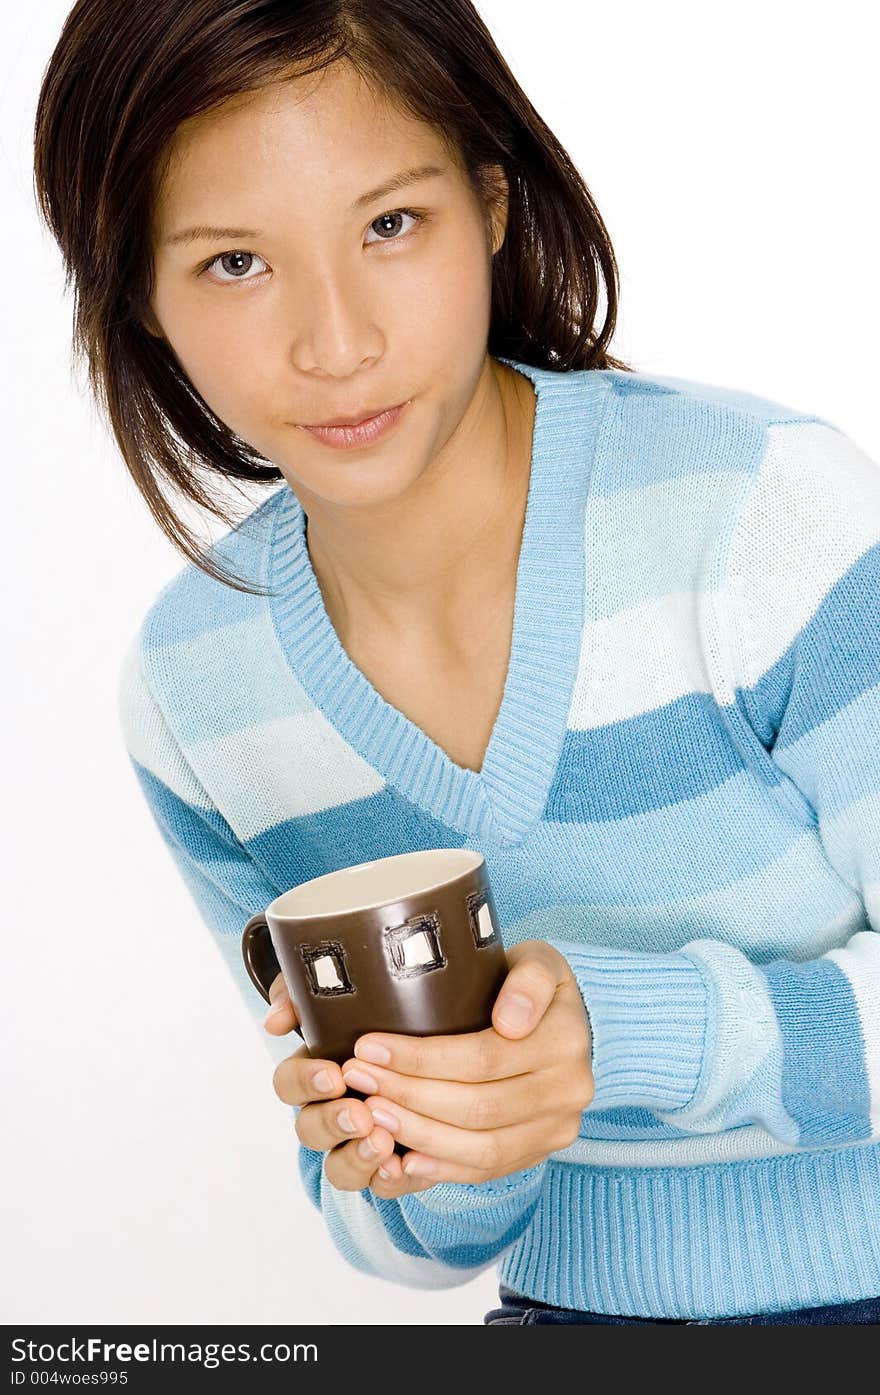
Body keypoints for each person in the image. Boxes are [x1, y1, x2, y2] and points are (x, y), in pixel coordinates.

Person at [33, 0, 880, 1325]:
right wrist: (436, 1142)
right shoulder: (200, 687)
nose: (336, 343)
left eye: (389, 226)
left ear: (490, 202)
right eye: (235, 264)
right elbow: (397, 1247)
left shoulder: (753, 508)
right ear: (137, 295)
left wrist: (617, 1036)